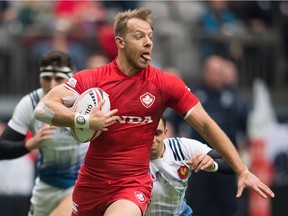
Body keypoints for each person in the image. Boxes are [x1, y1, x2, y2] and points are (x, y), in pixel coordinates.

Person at [33, 8, 274, 216]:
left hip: (132, 185)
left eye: (150, 36)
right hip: (91, 183)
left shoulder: (165, 84)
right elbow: (43, 109)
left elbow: (206, 125)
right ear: (120, 42)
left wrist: (242, 170)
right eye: (139, 36)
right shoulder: (93, 78)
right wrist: (84, 120)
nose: (148, 42)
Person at [0, 50, 89, 216]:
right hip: (46, 186)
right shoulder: (31, 103)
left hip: (80, 184)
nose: (53, 85)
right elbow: (2, 149)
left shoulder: (87, 101)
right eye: (47, 78)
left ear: (72, 78)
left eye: (59, 79)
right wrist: (30, 144)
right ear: (39, 78)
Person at [186, 55, 251, 216]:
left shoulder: (235, 97)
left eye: (218, 71)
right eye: (211, 71)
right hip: (198, 161)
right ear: (204, 72)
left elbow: (247, 126)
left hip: (226, 161)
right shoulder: (194, 94)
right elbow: (175, 121)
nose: (215, 75)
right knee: (198, 203)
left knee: (227, 204)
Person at [146, 116, 234, 216]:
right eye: (147, 133)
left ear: (165, 133)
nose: (153, 139)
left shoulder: (183, 147)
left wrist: (213, 165)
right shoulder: (129, 155)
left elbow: (232, 163)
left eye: (157, 133)